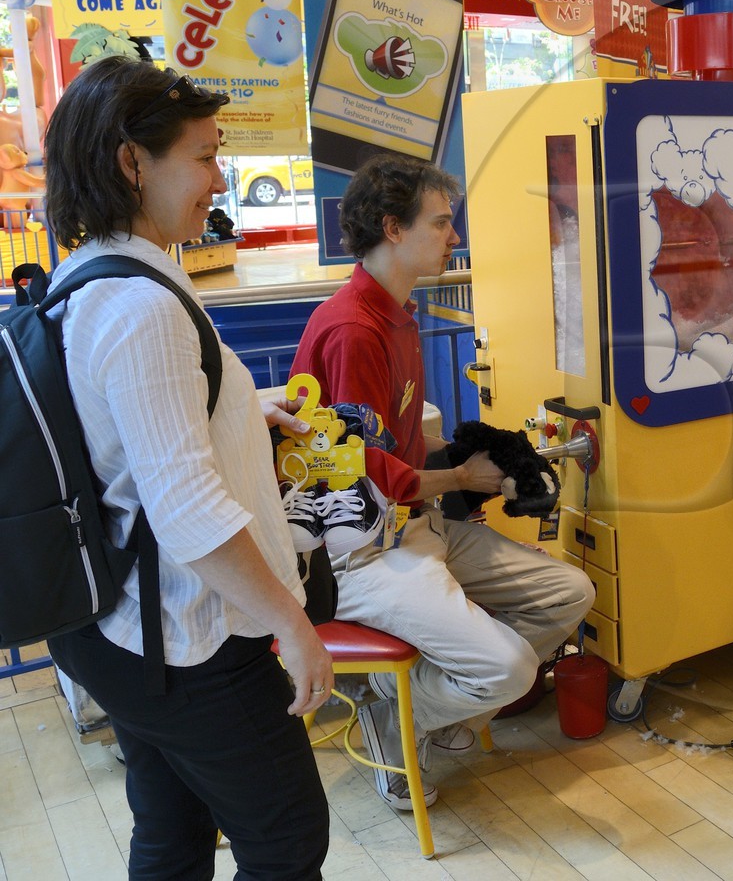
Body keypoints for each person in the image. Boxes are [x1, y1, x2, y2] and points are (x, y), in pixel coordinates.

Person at [41, 57, 333, 879]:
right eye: (203, 156)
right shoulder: (141, 308)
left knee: (170, 828)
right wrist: (292, 621)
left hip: (114, 626)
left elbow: (136, 436)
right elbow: (186, 511)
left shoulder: (91, 276)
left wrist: (246, 414)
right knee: (284, 843)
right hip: (188, 643)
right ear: (133, 162)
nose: (218, 177)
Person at [290, 153, 594, 811]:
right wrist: (458, 473)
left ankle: (422, 709)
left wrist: (469, 462)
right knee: (509, 667)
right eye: (442, 222)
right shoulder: (352, 330)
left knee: (569, 593)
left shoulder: (398, 314)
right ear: (393, 229)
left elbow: (398, 440)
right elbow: (361, 466)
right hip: (361, 552)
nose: (453, 237)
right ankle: (394, 722)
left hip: (417, 528)